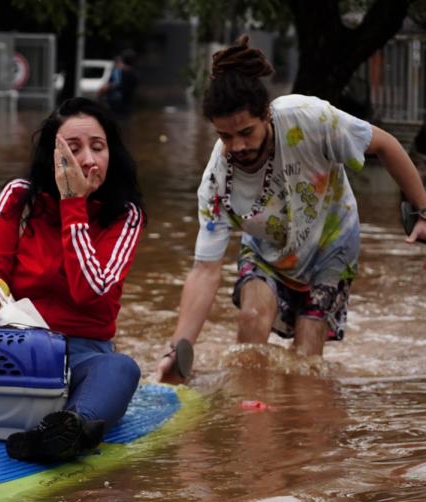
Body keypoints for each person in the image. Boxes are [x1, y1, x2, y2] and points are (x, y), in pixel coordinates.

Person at [155, 36, 426, 384]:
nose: (237, 146)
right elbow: (205, 271)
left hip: (332, 245)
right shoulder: (216, 182)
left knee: (307, 354)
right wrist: (179, 350)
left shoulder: (309, 119)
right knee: (252, 320)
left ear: (266, 114)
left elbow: (386, 145)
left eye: (246, 132)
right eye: (225, 136)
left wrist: (422, 212)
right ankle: (251, 420)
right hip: (267, 250)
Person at [0, 97, 144, 463]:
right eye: (73, 150)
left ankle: (68, 429)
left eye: (98, 147)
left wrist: (73, 205)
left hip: (84, 357)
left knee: (122, 369)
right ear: (52, 157)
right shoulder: (19, 197)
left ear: (112, 153)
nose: (88, 160)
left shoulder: (125, 216)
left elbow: (91, 291)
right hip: (19, 344)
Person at [98, 49, 138, 117]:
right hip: (122, 105)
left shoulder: (124, 73)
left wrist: (109, 87)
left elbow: (122, 86)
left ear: (123, 60)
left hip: (119, 105)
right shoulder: (133, 74)